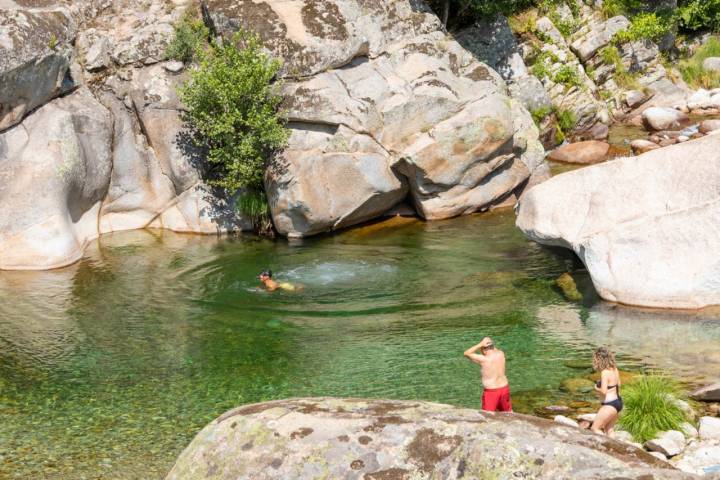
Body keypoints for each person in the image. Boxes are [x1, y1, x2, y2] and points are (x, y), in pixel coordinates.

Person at [464, 337, 512, 412]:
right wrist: (489, 342)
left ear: (483, 349)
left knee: (487, 416)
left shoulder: (484, 360)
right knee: (508, 414)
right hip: (504, 388)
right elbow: (493, 349)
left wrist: (480, 344)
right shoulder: (501, 354)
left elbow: (466, 353)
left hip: (492, 392)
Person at [590, 346, 623, 437]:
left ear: (599, 359)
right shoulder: (615, 369)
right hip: (618, 402)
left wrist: (596, 388)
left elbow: (604, 391)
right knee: (609, 429)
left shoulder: (604, 372)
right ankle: (613, 448)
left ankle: (604, 448)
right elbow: (619, 384)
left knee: (595, 428)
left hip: (610, 405)